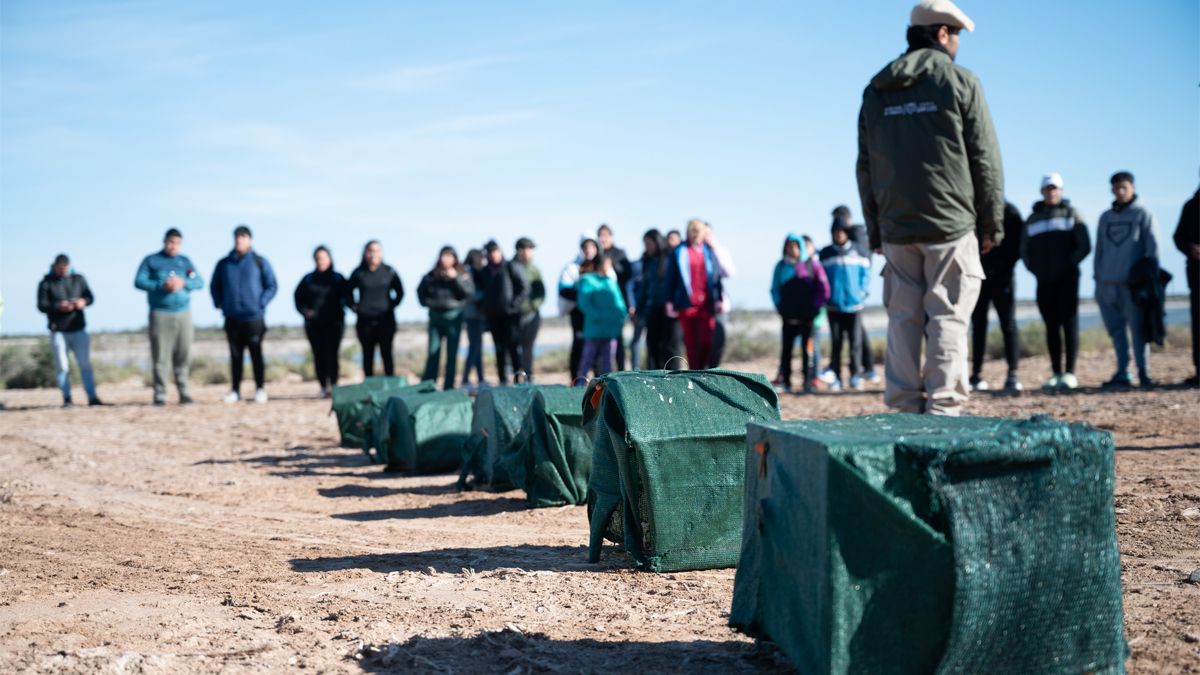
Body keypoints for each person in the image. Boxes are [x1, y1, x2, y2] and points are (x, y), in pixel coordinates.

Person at [856, 0, 1003, 416]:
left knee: (903, 320)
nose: (957, 43)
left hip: (896, 227)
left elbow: (864, 165)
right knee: (949, 316)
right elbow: (985, 159)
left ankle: (904, 410)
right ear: (942, 34)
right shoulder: (961, 82)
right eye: (955, 35)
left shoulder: (876, 89)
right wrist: (991, 222)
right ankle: (943, 412)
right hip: (951, 226)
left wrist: (876, 229)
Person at [1022, 174, 1091, 390]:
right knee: (1051, 327)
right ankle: (1056, 373)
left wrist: (1070, 265)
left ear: (1061, 190)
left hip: (1068, 280)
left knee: (1069, 325)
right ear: (1042, 192)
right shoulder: (1033, 219)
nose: (1051, 192)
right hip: (1045, 281)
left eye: (1055, 189)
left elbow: (1085, 245)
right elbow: (1024, 251)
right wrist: (1037, 270)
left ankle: (1070, 373)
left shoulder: (1072, 214)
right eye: (1047, 189)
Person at [1095, 171, 1160, 388]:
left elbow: (1153, 251)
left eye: (1124, 187)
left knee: (1139, 330)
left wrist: (1148, 283)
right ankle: (1123, 371)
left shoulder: (1143, 214)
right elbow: (1099, 250)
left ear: (1132, 187)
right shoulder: (1106, 217)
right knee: (1116, 332)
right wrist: (1098, 280)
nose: (1120, 192)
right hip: (1107, 285)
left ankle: (1143, 371)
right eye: (1116, 188)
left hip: (1133, 287)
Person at [134, 228, 203, 405]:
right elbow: (139, 281)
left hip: (183, 312)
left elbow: (199, 281)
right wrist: (161, 284)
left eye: (177, 243)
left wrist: (184, 283)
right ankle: (160, 395)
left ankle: (184, 391)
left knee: (183, 354)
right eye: (171, 242)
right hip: (160, 312)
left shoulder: (184, 262)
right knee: (161, 356)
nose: (174, 246)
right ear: (164, 241)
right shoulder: (152, 261)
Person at [211, 225, 278, 403]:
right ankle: (235, 390)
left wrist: (260, 303)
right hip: (232, 317)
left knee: (256, 353)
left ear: (250, 240)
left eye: (243, 237)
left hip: (254, 317)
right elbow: (214, 286)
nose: (239, 240)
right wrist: (219, 303)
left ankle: (260, 389)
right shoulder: (224, 263)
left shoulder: (259, 261)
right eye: (237, 237)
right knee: (235, 355)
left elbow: (272, 285)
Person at [969, 201, 1025, 392]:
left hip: (1003, 279)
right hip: (978, 276)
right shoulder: (972, 211)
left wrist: (1002, 267)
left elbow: (1018, 245)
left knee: (1008, 324)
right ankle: (975, 374)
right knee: (978, 324)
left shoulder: (1010, 211)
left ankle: (1012, 374)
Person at [37, 254, 102, 407]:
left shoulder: (79, 279)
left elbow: (90, 297)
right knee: (62, 367)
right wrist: (58, 306)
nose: (63, 271)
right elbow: (41, 305)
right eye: (60, 269)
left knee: (85, 365)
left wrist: (83, 301)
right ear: (55, 266)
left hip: (79, 328)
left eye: (65, 268)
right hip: (58, 330)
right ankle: (67, 399)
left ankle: (92, 398)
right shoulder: (46, 283)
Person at [771, 234, 831, 393]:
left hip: (808, 318)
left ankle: (808, 382)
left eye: (795, 246)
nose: (792, 250)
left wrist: (815, 308)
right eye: (789, 247)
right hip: (788, 317)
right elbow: (774, 289)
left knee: (808, 350)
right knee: (787, 351)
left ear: (801, 247)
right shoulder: (781, 266)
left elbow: (824, 290)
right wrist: (780, 307)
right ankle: (786, 381)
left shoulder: (813, 265)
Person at [830, 204, 881, 383]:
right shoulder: (834, 248)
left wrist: (861, 292)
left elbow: (864, 265)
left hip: (854, 297)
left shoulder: (857, 234)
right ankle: (866, 368)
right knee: (855, 337)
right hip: (841, 299)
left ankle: (863, 370)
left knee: (857, 339)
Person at [820, 218, 872, 390]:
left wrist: (862, 294)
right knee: (836, 342)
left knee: (855, 342)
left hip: (854, 306)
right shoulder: (826, 253)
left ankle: (856, 374)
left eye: (842, 231)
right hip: (833, 306)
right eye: (836, 232)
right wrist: (826, 296)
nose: (839, 235)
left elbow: (866, 276)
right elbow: (821, 279)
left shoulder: (859, 252)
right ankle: (835, 376)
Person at [665, 219, 724, 370]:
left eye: (698, 232)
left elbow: (716, 276)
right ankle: (695, 372)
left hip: (707, 303)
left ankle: (702, 367)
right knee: (691, 342)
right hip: (687, 303)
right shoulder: (680, 251)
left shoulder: (709, 251)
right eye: (693, 231)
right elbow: (670, 277)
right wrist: (669, 301)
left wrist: (719, 298)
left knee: (706, 340)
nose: (695, 235)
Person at [294, 245, 349, 397]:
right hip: (314, 325)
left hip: (335, 323)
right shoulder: (308, 279)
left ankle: (335, 385)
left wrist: (351, 306)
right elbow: (298, 299)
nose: (321, 261)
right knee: (318, 355)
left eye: (324, 257)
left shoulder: (338, 278)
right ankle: (323, 386)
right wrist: (305, 312)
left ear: (330, 258)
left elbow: (347, 297)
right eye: (318, 258)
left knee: (332, 354)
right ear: (314, 260)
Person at [417, 246, 473, 390]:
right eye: (443, 255)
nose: (445, 259)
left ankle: (449, 386)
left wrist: (456, 278)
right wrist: (428, 303)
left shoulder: (462, 274)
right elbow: (420, 291)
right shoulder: (432, 275)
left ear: (454, 258)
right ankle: (429, 385)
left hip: (454, 317)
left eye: (449, 256)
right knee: (433, 352)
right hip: (435, 317)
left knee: (452, 354)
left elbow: (468, 292)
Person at [348, 240, 404, 378]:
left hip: (385, 320)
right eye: (370, 250)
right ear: (365, 253)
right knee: (367, 355)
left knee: (387, 354)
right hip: (365, 321)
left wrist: (391, 305)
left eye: (377, 250)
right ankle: (369, 387)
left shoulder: (389, 271)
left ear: (381, 252)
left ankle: (391, 386)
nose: (374, 254)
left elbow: (400, 292)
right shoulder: (358, 273)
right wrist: (355, 307)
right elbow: (346, 292)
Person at [480, 240, 528, 385]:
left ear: (500, 251)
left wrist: (514, 304)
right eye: (490, 252)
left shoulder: (511, 266)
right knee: (499, 349)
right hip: (493, 316)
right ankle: (502, 380)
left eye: (495, 251)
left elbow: (524, 287)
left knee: (514, 348)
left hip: (511, 316)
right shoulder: (485, 271)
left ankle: (520, 380)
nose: (493, 254)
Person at [575, 253, 627, 383]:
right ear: (601, 264)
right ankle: (580, 384)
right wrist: (597, 316)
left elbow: (619, 301)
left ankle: (606, 387)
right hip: (594, 329)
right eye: (608, 263)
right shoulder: (587, 280)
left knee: (608, 360)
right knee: (587, 358)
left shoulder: (610, 281)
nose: (610, 266)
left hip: (611, 329)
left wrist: (621, 315)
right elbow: (584, 303)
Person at [558, 234, 601, 379]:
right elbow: (563, 290)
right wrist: (584, 297)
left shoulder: (603, 265)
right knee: (579, 346)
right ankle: (576, 381)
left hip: (598, 315)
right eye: (585, 247)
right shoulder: (572, 267)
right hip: (579, 314)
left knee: (599, 348)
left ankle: (600, 383)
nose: (588, 250)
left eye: (591, 247)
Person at [635, 229, 679, 370]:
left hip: (669, 309)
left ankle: (674, 378)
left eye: (649, 243)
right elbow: (644, 287)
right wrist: (638, 309)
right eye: (645, 244)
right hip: (652, 308)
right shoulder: (647, 261)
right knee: (652, 345)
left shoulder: (670, 257)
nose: (646, 247)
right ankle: (654, 377)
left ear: (657, 242)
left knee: (669, 346)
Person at [597, 224, 632, 370]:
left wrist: (612, 266)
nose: (603, 238)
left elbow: (628, 273)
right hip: (600, 305)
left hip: (617, 304)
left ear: (611, 237)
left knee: (618, 339)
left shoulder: (620, 253)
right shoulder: (596, 255)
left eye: (606, 235)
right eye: (600, 235)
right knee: (600, 341)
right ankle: (601, 374)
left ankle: (621, 370)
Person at [1174, 186, 1199, 387]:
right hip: (1196, 276)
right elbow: (1178, 236)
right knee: (1198, 325)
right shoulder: (1191, 206)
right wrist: (1190, 248)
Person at [512, 237, 545, 381]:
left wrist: (533, 305)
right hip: (514, 316)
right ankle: (516, 378)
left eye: (530, 249)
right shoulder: (511, 266)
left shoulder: (534, 269)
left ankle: (529, 377)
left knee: (528, 349)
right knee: (514, 349)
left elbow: (541, 292)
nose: (527, 252)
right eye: (524, 249)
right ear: (518, 250)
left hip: (531, 315)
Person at [704, 223, 736, 368]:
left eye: (708, 233)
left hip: (717, 303)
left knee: (718, 340)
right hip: (698, 304)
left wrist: (715, 250)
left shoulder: (720, 251)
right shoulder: (691, 252)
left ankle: (714, 369)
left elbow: (728, 272)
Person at [460, 248, 487, 389]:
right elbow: (469, 294)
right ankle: (465, 379)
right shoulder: (467, 272)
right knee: (474, 348)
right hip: (472, 315)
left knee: (477, 348)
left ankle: (481, 378)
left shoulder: (471, 272)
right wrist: (486, 294)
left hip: (476, 315)